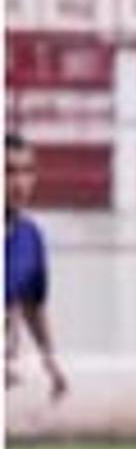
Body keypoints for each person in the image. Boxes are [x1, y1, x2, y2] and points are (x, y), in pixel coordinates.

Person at [5, 132, 69, 401]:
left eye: (27, 171)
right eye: (8, 171)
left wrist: (50, 360)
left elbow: (32, 303)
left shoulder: (30, 237)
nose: (19, 183)